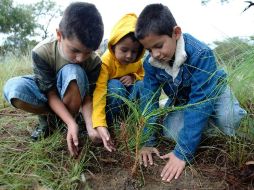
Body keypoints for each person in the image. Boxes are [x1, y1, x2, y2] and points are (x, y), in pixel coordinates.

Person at [135, 3, 247, 182]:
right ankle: (202, 125)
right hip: (183, 101)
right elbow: (149, 100)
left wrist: (182, 152)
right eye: (149, 50)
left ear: (176, 33)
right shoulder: (150, 64)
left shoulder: (201, 53)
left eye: (159, 45)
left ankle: (212, 120)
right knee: (171, 133)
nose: (154, 54)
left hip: (211, 93)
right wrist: (146, 142)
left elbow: (201, 102)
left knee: (230, 120)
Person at [3, 2, 104, 157]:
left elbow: (88, 98)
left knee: (74, 71)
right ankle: (54, 122)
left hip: (75, 94)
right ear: (59, 35)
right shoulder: (41, 52)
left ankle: (70, 124)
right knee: (14, 89)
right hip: (49, 93)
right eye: (75, 50)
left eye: (88, 53)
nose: (80, 58)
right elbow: (49, 93)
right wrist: (71, 123)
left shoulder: (95, 62)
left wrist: (91, 127)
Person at [92, 13, 145, 152]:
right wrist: (99, 124)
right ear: (113, 45)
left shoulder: (137, 62)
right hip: (113, 102)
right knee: (116, 86)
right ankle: (113, 125)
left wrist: (134, 77)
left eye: (134, 51)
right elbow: (100, 92)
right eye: (124, 50)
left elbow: (143, 75)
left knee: (141, 85)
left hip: (129, 101)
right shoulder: (105, 62)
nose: (129, 56)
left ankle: (132, 123)